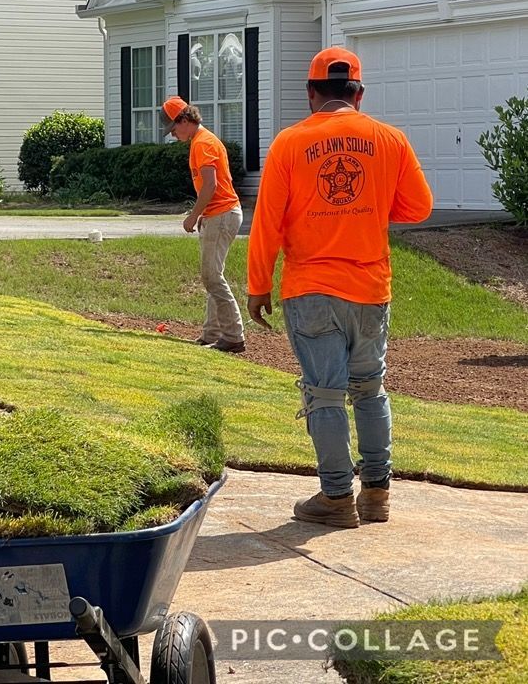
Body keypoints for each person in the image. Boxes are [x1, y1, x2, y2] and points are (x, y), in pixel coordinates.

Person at [246, 47, 433, 529]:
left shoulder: (290, 143)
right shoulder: (390, 139)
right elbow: (419, 207)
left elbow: (267, 221)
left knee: (325, 394)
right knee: (370, 388)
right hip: (370, 287)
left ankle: (335, 499)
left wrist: (258, 285)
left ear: (312, 94)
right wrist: (368, 206)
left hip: (311, 287)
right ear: (359, 93)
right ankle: (377, 495)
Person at [161, 96, 245, 352]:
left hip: (222, 214)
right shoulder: (201, 141)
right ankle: (211, 334)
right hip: (219, 214)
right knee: (213, 276)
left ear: (185, 120)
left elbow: (211, 185)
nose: (173, 134)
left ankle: (233, 336)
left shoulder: (203, 143)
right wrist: (203, 214)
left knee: (211, 277)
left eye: (173, 128)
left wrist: (194, 215)